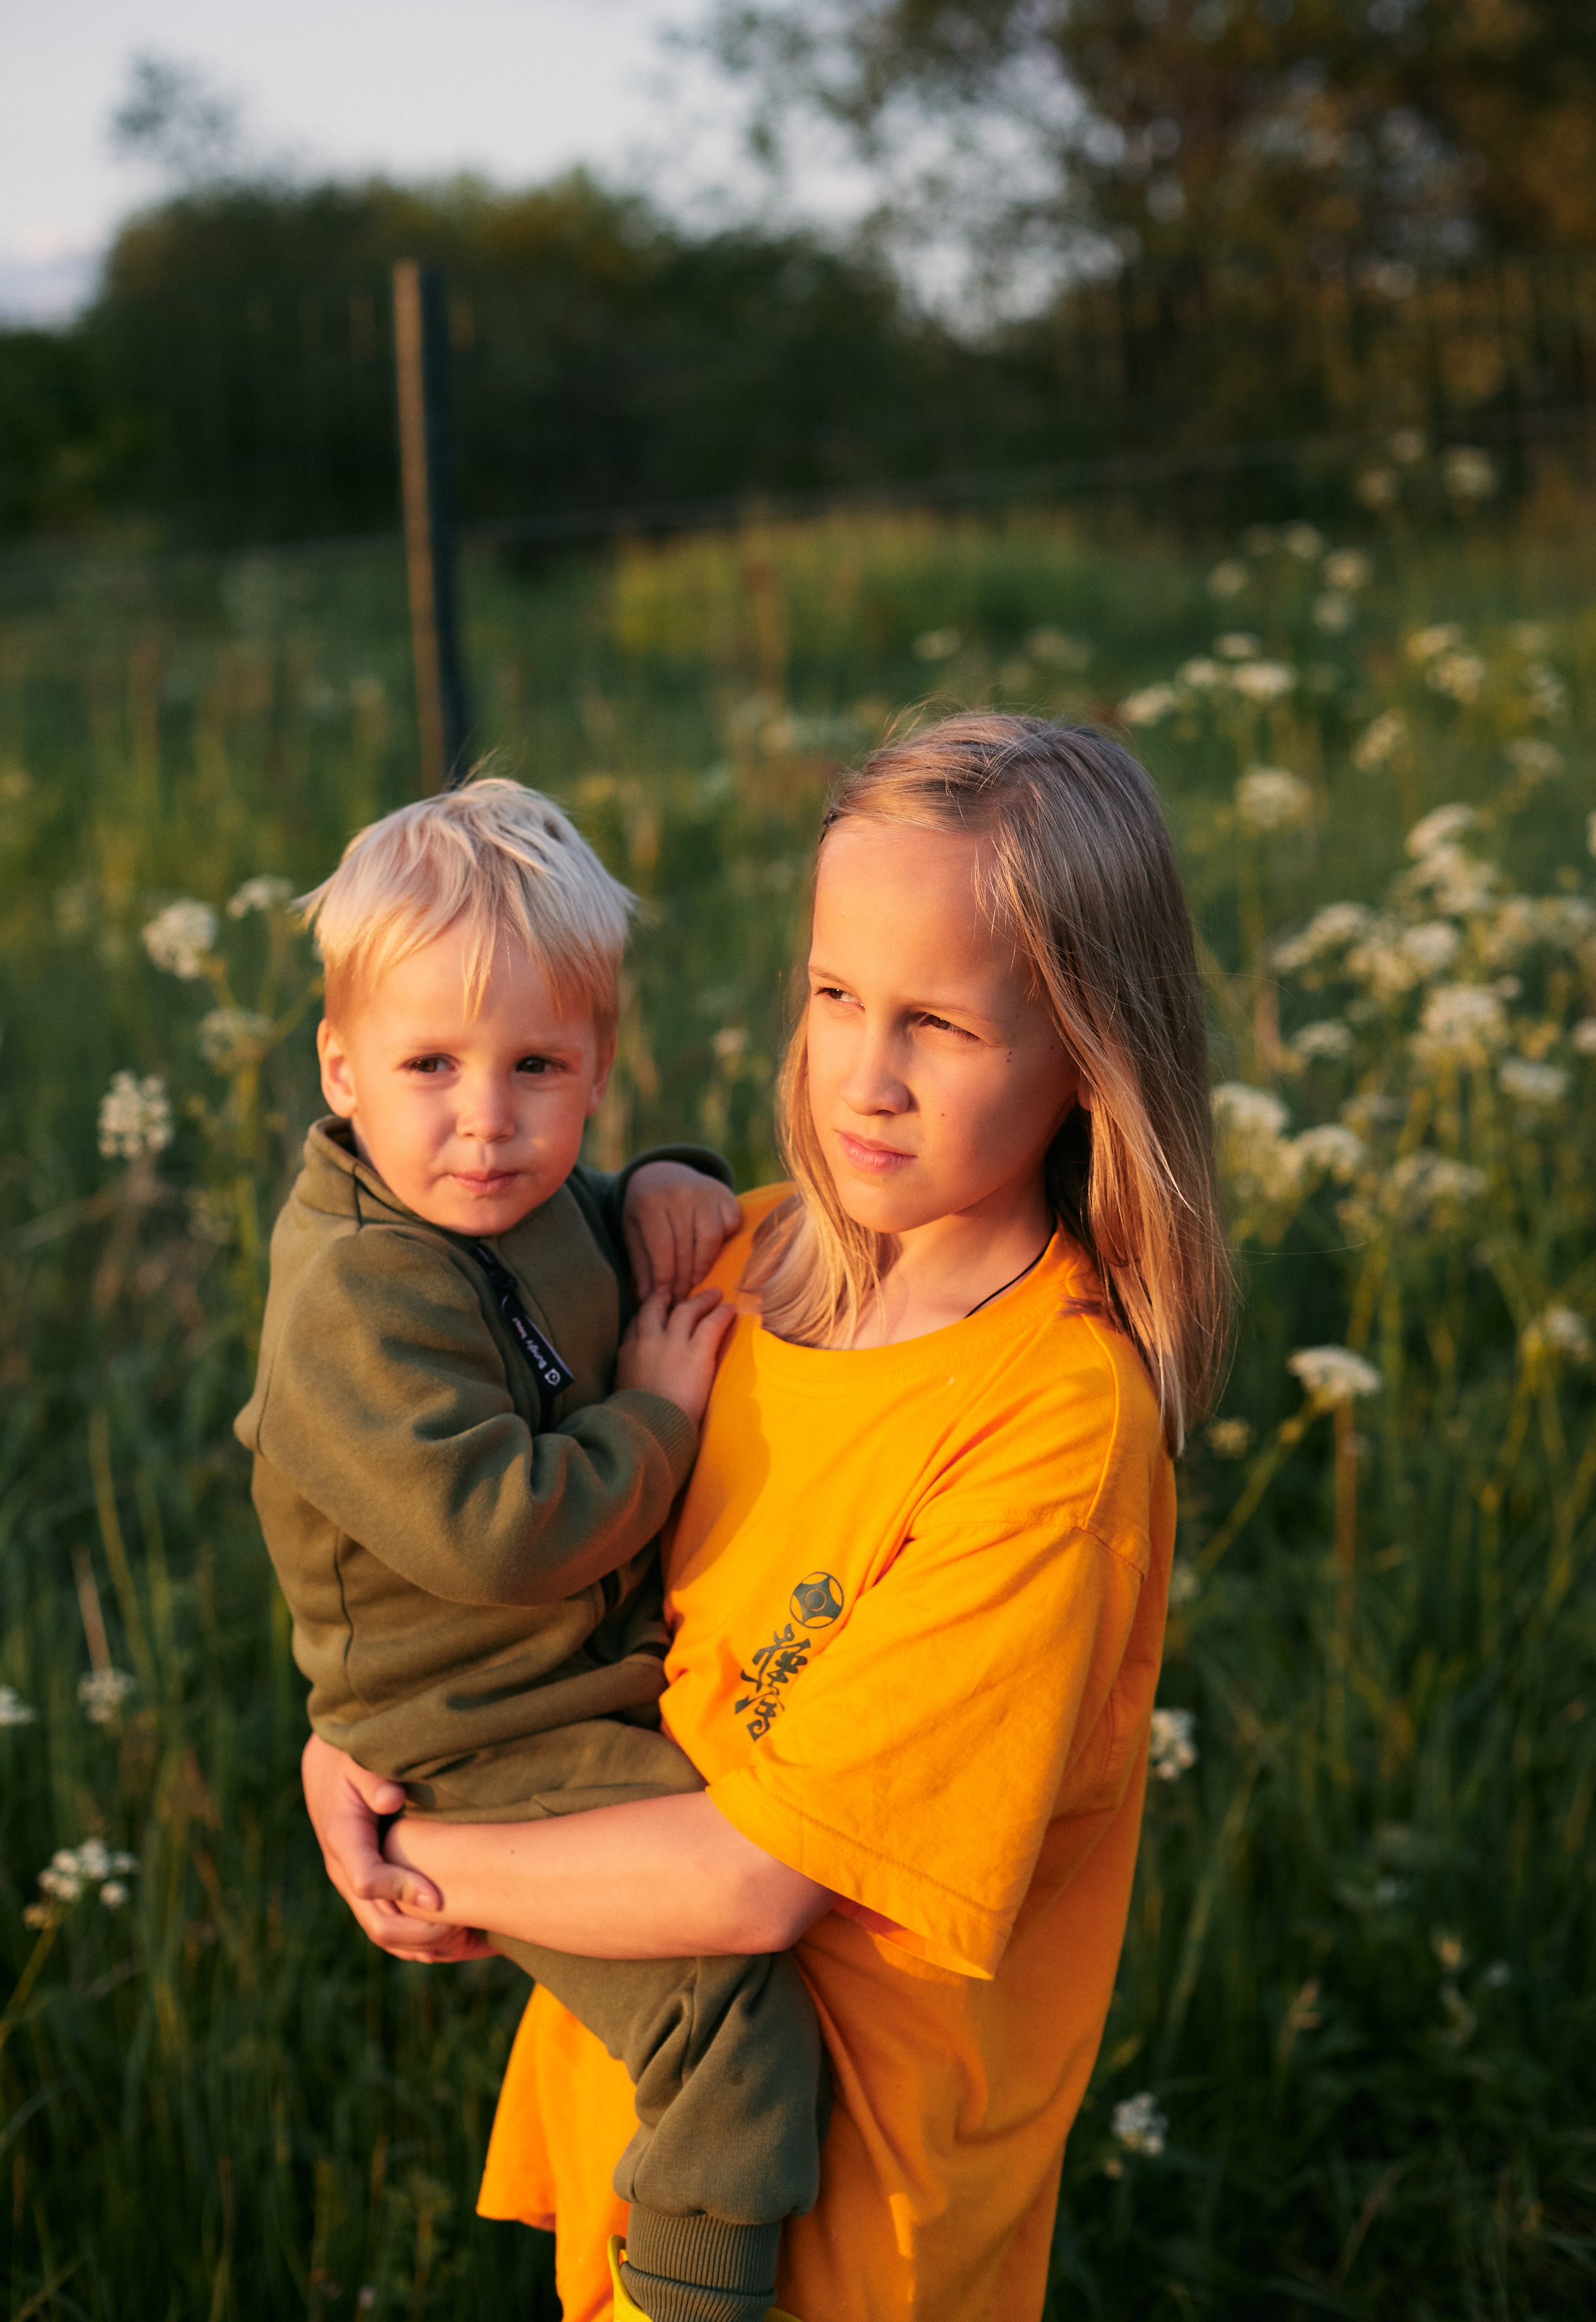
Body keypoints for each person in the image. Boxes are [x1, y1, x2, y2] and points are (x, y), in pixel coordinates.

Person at [303, 714, 1231, 2322]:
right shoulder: (719, 1270)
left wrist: (415, 1853)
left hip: (848, 2222)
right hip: (639, 2109)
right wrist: (356, 1739)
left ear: (1088, 1054)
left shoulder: (1050, 1429)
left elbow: (756, 1888)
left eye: (939, 1024)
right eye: (832, 996)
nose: (863, 1078)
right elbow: (479, 1557)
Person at [238, 779, 826, 2322]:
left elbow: (590, 1222)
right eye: (429, 1065)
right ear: (340, 1066)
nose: (487, 1120)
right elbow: (499, 1532)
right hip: (475, 1730)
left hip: (573, 1675)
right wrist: (657, 1415)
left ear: (595, 1071)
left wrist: (670, 1179)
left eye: (536, 1068)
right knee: (722, 2005)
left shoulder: (519, 1193)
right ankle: (693, 2296)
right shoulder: (356, 1297)